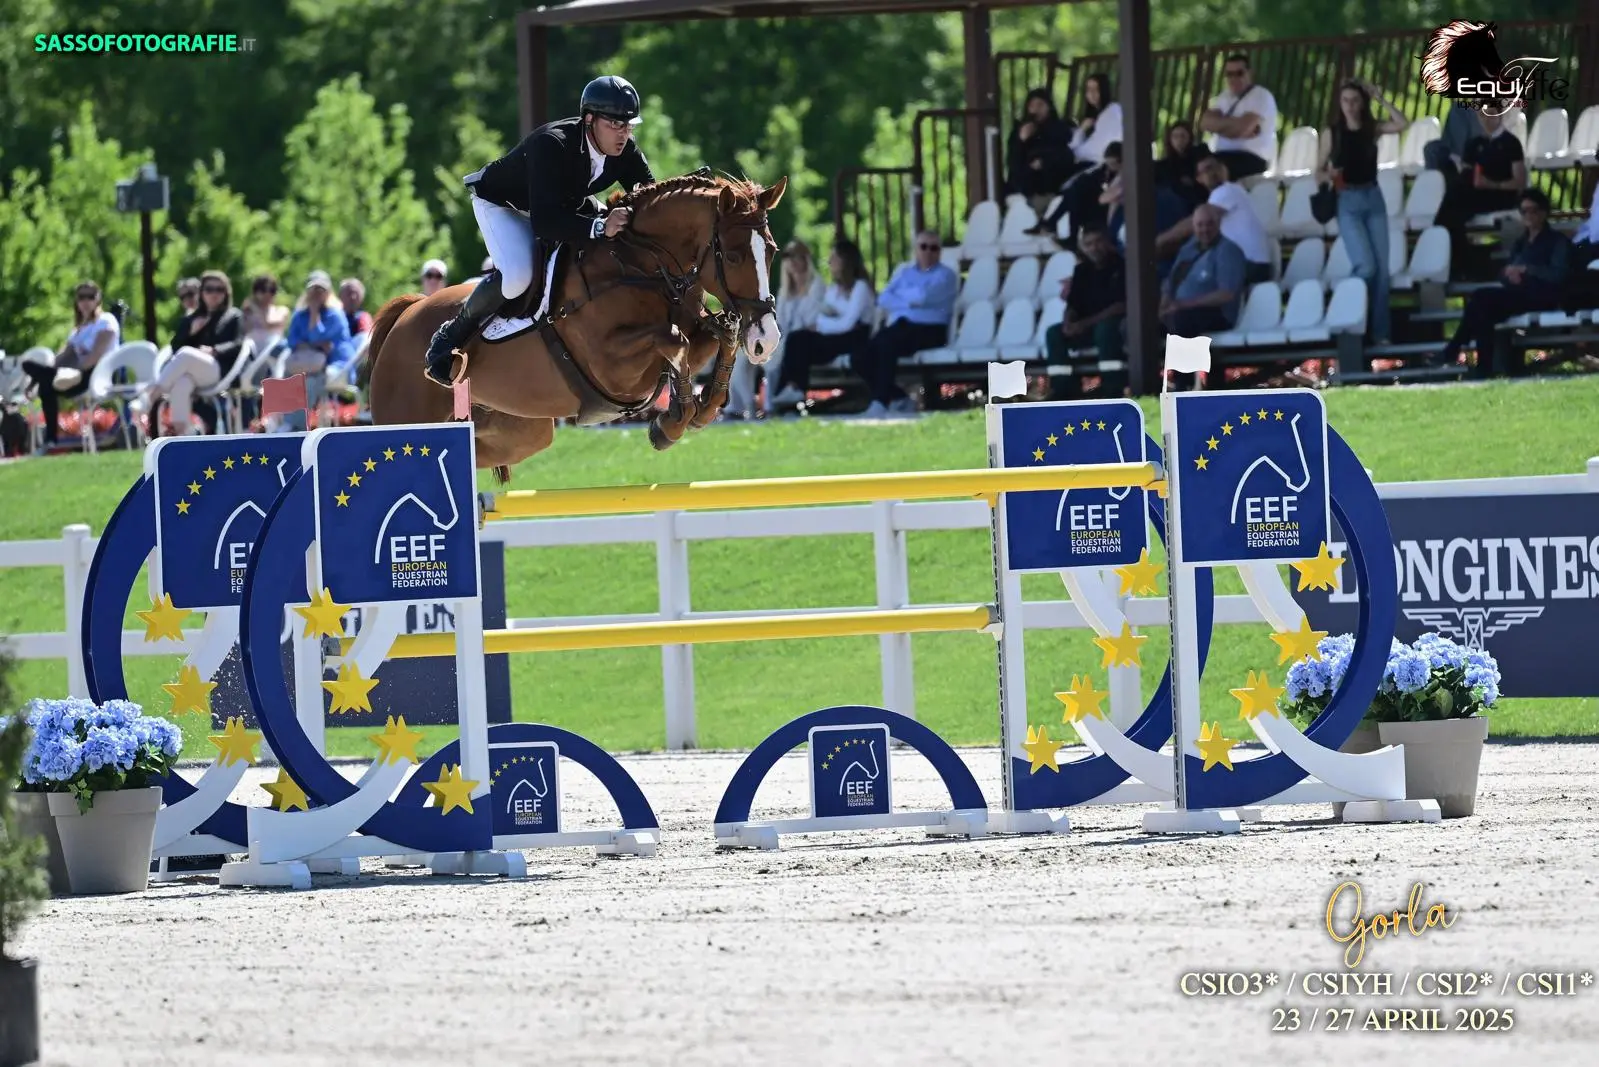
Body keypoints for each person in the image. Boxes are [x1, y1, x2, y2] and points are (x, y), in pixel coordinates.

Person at [425, 75, 655, 386]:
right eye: (615, 124)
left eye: (628, 125)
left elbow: (649, 195)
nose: (623, 134)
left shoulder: (624, 150)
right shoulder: (553, 143)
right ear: (589, 120)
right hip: (503, 204)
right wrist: (600, 226)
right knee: (519, 275)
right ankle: (451, 334)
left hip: (560, 203)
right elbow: (546, 223)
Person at [1436, 189, 1570, 377]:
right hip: (1518, 293)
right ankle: (1481, 366)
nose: (1529, 215)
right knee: (1483, 310)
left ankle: (1456, 349)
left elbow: (1558, 274)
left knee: (1481, 299)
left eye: (1533, 210)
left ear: (1543, 212)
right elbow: (1505, 272)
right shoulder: (1521, 243)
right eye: (1524, 211)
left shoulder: (1557, 241)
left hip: (1541, 295)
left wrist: (1527, 270)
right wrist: (1510, 275)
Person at [1316, 80, 1409, 346]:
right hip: (1347, 199)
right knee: (1365, 265)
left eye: (1355, 100)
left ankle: (1379, 333)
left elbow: (1402, 123)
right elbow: (1317, 171)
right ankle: (1346, 310)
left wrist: (1380, 98)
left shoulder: (1371, 128)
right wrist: (1329, 175)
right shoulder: (1332, 132)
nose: (1350, 106)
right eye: (1345, 100)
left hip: (1373, 196)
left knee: (1381, 271)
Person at [850, 230, 957, 416]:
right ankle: (899, 397)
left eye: (934, 248)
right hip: (902, 326)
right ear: (916, 249)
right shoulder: (904, 271)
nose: (928, 252)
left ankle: (880, 402)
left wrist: (902, 297)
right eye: (924, 247)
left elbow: (923, 297)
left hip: (931, 330)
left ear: (940, 251)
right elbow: (884, 298)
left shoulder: (946, 275)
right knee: (859, 356)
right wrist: (910, 299)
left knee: (886, 345)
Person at [769, 239, 874, 407]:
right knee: (797, 338)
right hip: (836, 336)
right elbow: (824, 317)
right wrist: (826, 323)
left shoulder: (860, 287)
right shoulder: (834, 290)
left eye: (834, 258)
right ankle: (790, 390)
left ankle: (793, 391)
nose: (830, 262)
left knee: (800, 340)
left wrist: (822, 325)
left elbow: (847, 324)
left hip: (856, 338)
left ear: (846, 261)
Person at [728, 238, 825, 418]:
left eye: (797, 256)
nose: (793, 262)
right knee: (740, 352)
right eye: (788, 257)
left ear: (806, 259)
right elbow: (779, 320)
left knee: (773, 353)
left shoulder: (817, 285)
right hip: (784, 335)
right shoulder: (785, 290)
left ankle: (768, 404)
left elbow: (812, 320)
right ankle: (742, 404)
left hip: (803, 338)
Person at [139, 270, 243, 437]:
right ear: (201, 293)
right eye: (209, 289)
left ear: (226, 293)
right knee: (182, 383)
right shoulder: (193, 318)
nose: (214, 294)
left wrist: (215, 350)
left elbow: (239, 344)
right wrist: (191, 332)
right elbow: (175, 347)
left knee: (187, 353)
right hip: (194, 373)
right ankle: (183, 436)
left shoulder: (233, 316)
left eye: (219, 289)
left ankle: (152, 396)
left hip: (220, 370)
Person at [20, 281, 120, 451]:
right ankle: (51, 440)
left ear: (98, 299)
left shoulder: (106, 321)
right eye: (82, 297)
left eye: (90, 297)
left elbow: (96, 355)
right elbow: (61, 358)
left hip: (96, 375)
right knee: (40, 378)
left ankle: (51, 439)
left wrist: (72, 373)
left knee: (45, 381)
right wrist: (41, 378)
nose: (86, 301)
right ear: (77, 301)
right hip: (73, 377)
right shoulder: (78, 330)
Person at [1434, 105, 1527, 272]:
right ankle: (1460, 258)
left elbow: (1519, 181)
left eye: (1491, 115)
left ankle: (1463, 260)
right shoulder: (1474, 143)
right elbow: (1467, 172)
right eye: (1482, 115)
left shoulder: (1511, 143)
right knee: (1452, 205)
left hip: (1500, 194)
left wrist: (1492, 184)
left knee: (1453, 205)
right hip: (1475, 193)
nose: (1486, 120)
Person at [1157, 156, 1272, 283]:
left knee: (1185, 278)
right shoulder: (1225, 195)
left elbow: (1193, 223)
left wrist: (1159, 241)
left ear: (1225, 170)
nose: (1212, 172)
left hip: (1250, 264)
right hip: (1246, 264)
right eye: (1206, 170)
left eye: (1215, 167)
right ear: (1199, 179)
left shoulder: (1228, 189)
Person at [1044, 226, 1126, 398]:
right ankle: (1063, 389)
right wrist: (1068, 323)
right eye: (1088, 244)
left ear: (1107, 242)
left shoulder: (1121, 265)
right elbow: (1073, 304)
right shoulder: (1081, 270)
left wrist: (1084, 324)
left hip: (1113, 326)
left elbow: (1120, 306)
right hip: (1085, 326)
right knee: (1054, 333)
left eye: (1098, 242)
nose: (1094, 248)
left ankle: (1112, 387)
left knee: (1106, 330)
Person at [276, 270, 352, 431]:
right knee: (289, 373)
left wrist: (314, 313)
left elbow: (320, 339)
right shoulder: (299, 316)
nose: (316, 294)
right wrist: (314, 345)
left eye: (321, 290)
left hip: (336, 365)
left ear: (328, 293)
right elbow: (293, 342)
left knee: (309, 378)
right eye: (313, 290)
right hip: (309, 363)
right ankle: (284, 420)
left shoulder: (335, 316)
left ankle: (295, 426)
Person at [1161, 204, 1247, 339]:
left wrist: (1184, 304)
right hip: (1179, 310)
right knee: (1139, 324)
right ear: (1193, 227)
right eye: (1200, 225)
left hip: (1216, 314)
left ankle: (1186, 360)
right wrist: (1164, 303)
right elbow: (1171, 281)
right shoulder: (1187, 249)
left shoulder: (1228, 250)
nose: (1205, 229)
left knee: (1180, 320)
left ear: (1219, 224)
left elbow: (1226, 294)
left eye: (1210, 224)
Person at [1200, 53, 1279, 181]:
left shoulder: (1261, 96)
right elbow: (1204, 123)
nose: (1234, 78)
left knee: (1214, 171)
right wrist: (1235, 126)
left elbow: (1243, 129)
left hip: (1252, 159)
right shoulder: (1224, 97)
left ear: (1250, 73)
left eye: (1239, 73)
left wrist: (1220, 127)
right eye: (1229, 74)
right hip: (1222, 156)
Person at [1004, 89, 1077, 209]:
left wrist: (1043, 162)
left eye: (1040, 105)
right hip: (1023, 188)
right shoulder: (1019, 131)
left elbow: (1066, 156)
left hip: (1050, 187)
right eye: (1032, 105)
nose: (1036, 110)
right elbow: (1013, 162)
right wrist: (1021, 141)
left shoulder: (1059, 130)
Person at [1067, 73, 1124, 168]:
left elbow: (1103, 145)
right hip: (1083, 159)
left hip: (1096, 163)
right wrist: (1082, 129)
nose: (1091, 94)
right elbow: (1074, 145)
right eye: (1089, 90)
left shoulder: (1113, 111)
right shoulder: (1090, 116)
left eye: (1096, 89)